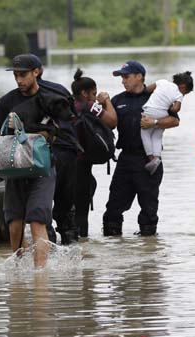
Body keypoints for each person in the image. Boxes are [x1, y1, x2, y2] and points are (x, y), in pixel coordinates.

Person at [0, 54, 72, 268]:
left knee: (37, 219)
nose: (19, 80)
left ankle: (40, 274)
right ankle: (18, 267)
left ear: (37, 72)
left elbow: (62, 132)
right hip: (15, 170)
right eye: (16, 75)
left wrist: (42, 135)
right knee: (14, 223)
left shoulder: (52, 100)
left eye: (23, 75)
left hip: (43, 168)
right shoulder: (7, 101)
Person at [103, 60, 180, 237]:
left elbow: (175, 121)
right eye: (122, 78)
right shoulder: (117, 100)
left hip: (149, 160)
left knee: (148, 210)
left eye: (127, 77)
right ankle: (112, 249)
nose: (123, 81)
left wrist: (155, 122)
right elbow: (107, 123)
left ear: (139, 77)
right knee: (113, 208)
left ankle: (148, 250)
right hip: (125, 159)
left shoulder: (157, 96)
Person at [34, 56, 80, 245]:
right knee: (65, 202)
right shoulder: (59, 89)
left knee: (42, 201)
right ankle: (70, 245)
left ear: (34, 73)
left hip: (45, 154)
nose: (18, 79)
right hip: (67, 151)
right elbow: (74, 118)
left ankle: (49, 246)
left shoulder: (22, 97)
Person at [71, 68, 117, 238]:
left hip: (65, 162)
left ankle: (69, 241)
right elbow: (112, 121)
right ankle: (81, 242)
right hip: (82, 162)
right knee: (81, 210)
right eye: (93, 93)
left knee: (69, 206)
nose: (95, 96)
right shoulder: (89, 106)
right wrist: (106, 101)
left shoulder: (67, 105)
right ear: (84, 93)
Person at [142, 71, 194, 174]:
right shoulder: (179, 94)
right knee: (157, 136)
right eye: (185, 93)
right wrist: (170, 106)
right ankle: (156, 157)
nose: (184, 95)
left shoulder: (162, 82)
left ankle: (150, 157)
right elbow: (176, 109)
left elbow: (147, 89)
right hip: (163, 114)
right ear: (183, 87)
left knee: (145, 133)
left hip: (150, 111)